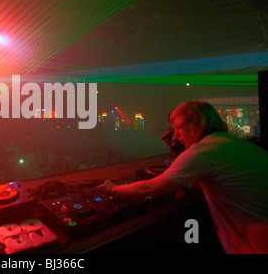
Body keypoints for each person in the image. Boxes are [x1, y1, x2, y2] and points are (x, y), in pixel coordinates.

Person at [101, 101, 268, 254]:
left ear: (198, 123)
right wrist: (178, 151)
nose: (175, 136)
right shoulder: (232, 143)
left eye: (179, 127)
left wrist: (113, 188)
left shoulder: (204, 152)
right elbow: (206, 180)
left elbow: (148, 188)